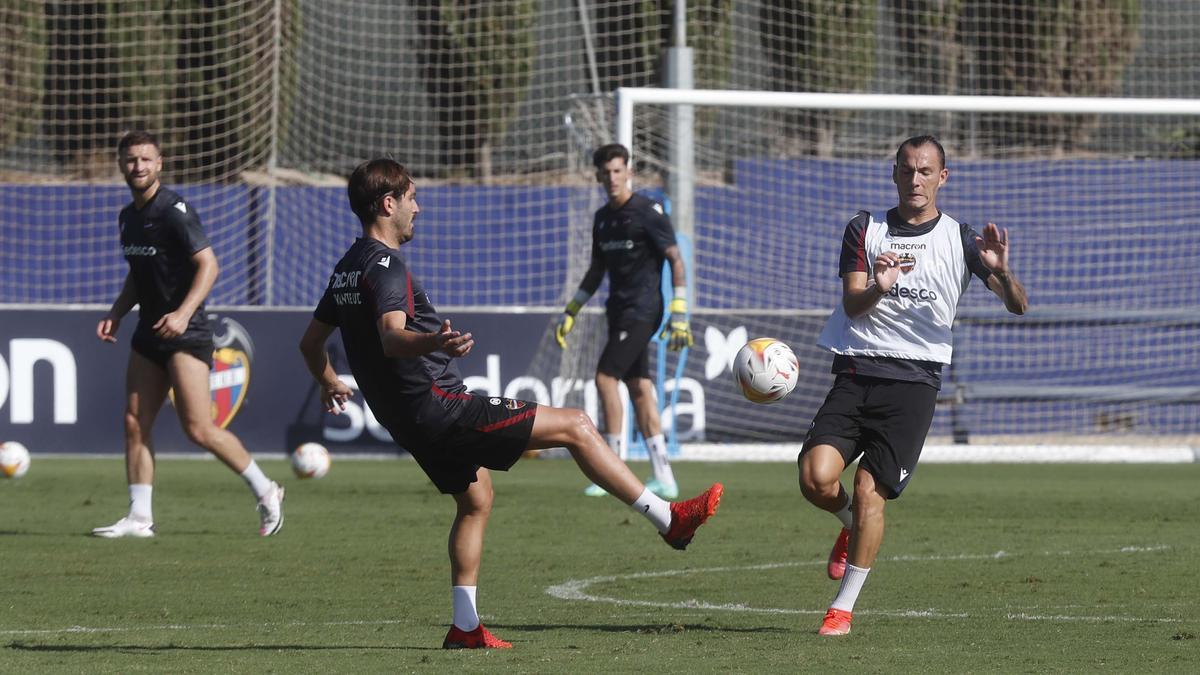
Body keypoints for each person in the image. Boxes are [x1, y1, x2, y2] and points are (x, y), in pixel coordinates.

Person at [297, 157, 723, 650]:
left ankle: (464, 626)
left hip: (406, 420)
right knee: (577, 425)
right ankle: (668, 520)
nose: (419, 207)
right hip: (440, 406)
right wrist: (435, 343)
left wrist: (328, 380)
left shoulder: (347, 266)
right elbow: (393, 339)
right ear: (388, 203)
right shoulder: (386, 263)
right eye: (412, 198)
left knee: (475, 501)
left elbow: (310, 344)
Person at [799, 135, 1028, 636]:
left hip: (913, 383)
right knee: (815, 478)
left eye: (926, 171)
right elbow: (853, 305)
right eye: (907, 170)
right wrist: (879, 287)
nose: (916, 179)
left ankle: (842, 608)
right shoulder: (865, 228)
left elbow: (1018, 305)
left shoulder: (961, 239)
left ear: (942, 177)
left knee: (867, 492)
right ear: (894, 173)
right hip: (856, 371)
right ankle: (850, 529)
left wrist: (1004, 273)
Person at [92, 130, 285, 539]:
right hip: (149, 332)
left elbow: (209, 265)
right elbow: (138, 273)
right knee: (134, 421)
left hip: (187, 331)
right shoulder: (127, 217)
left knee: (198, 428)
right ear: (120, 164)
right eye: (130, 160)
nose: (138, 166)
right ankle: (139, 517)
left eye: (146, 159)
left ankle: (266, 490)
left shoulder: (174, 210)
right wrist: (116, 312)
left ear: (160, 164)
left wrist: (182, 314)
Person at [555, 143, 693, 499]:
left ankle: (611, 468)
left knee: (604, 378)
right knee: (639, 387)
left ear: (628, 172)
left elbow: (676, 260)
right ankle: (664, 475)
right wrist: (572, 309)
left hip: (644, 310)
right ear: (599, 176)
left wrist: (679, 310)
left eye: (618, 171)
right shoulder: (602, 218)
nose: (612, 178)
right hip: (618, 311)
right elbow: (596, 270)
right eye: (606, 173)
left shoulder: (649, 212)